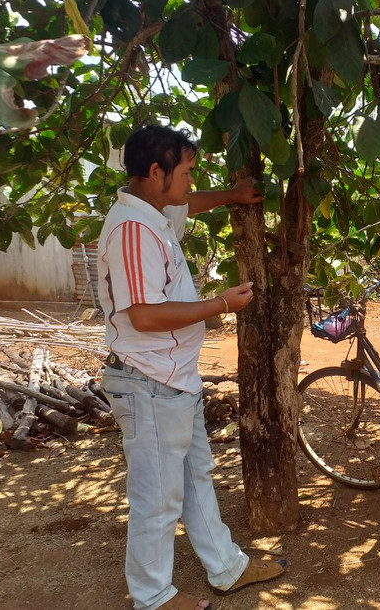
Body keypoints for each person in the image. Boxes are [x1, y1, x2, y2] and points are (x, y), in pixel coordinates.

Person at [97, 125, 288, 610]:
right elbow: (144, 313)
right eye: (185, 173)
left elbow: (188, 205)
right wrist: (220, 305)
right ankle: (153, 596)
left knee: (195, 476)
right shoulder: (132, 231)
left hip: (171, 379)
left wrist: (232, 196)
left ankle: (226, 566)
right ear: (155, 172)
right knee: (157, 498)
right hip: (149, 381)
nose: (189, 182)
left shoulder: (155, 214)